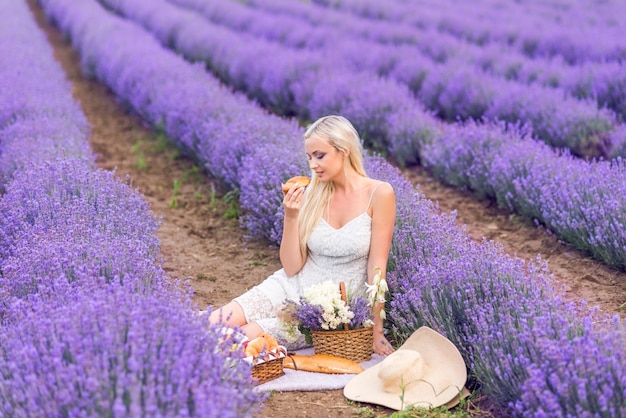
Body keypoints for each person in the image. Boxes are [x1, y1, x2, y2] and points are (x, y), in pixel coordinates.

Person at [209, 115, 396, 356]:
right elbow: (291, 267)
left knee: (240, 340)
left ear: (345, 150)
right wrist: (291, 216)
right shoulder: (311, 194)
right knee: (214, 323)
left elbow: (377, 268)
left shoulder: (379, 194)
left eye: (320, 156)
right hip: (287, 286)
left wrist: (376, 331)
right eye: (309, 157)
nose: (313, 165)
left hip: (324, 309)